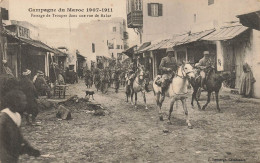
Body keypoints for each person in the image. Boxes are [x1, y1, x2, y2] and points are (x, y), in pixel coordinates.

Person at [0, 90, 41, 162]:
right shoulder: (4, 117)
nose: (25, 103)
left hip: (12, 153)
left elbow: (18, 136)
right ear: (15, 102)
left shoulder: (17, 116)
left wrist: (29, 149)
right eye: (23, 101)